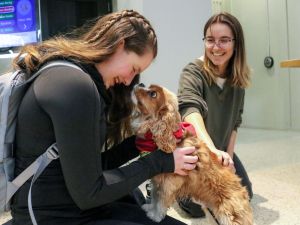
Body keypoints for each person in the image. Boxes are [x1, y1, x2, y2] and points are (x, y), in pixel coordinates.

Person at [10, 9, 198, 225]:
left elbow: (90, 168)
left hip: (71, 207)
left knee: (136, 200)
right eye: (133, 68)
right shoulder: (75, 87)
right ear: (120, 44)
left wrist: (136, 145)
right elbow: (90, 193)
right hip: (53, 218)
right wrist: (161, 162)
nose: (129, 81)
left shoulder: (70, 75)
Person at [177, 12, 253, 218]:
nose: (216, 47)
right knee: (198, 207)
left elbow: (235, 123)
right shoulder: (193, 72)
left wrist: (227, 160)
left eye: (224, 40)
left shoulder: (238, 79)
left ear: (236, 43)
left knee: (244, 195)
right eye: (210, 40)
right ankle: (166, 183)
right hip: (196, 152)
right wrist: (210, 150)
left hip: (219, 150)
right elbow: (189, 110)